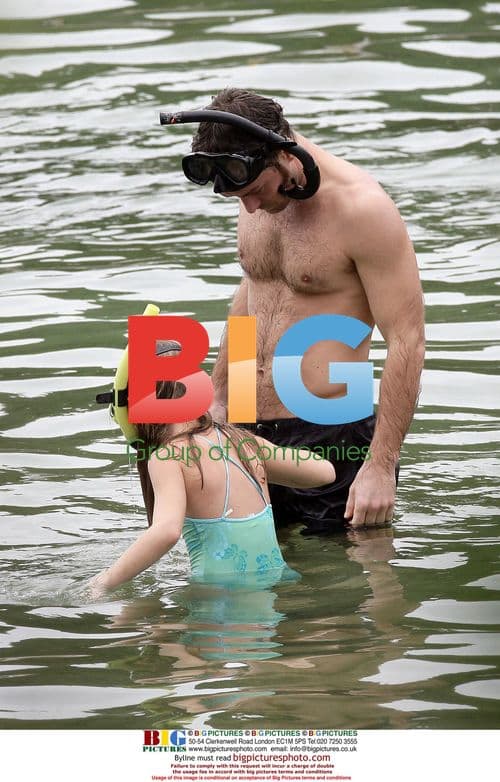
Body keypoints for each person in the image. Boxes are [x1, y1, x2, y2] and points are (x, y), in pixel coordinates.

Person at [168, 88, 425, 533]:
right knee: (253, 576)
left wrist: (381, 466)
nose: (250, 207)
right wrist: (222, 392)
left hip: (331, 436)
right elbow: (254, 293)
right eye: (237, 198)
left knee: (338, 586)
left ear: (284, 156)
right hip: (246, 426)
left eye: (254, 192)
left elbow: (407, 338)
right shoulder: (255, 193)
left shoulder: (362, 210)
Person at [89, 379, 335, 597]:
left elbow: (166, 532)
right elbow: (325, 473)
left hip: (219, 594)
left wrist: (104, 581)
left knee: (142, 630)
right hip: (275, 580)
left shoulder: (167, 456)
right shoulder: (244, 441)